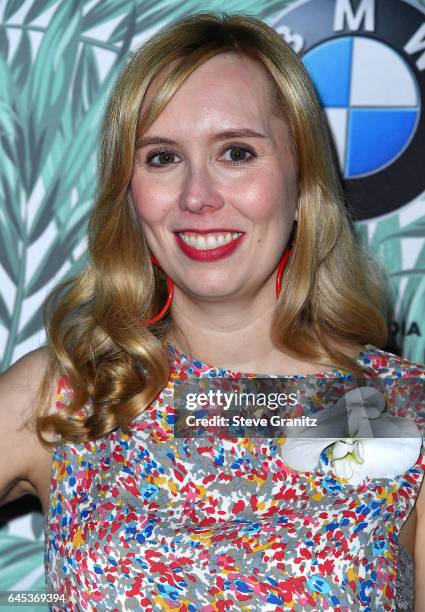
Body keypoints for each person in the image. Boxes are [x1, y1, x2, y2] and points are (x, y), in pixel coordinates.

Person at [1, 11, 424, 611]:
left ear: (302, 182)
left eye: (236, 152)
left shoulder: (405, 411)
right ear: (130, 190)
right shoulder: (69, 391)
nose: (198, 197)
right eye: (162, 158)